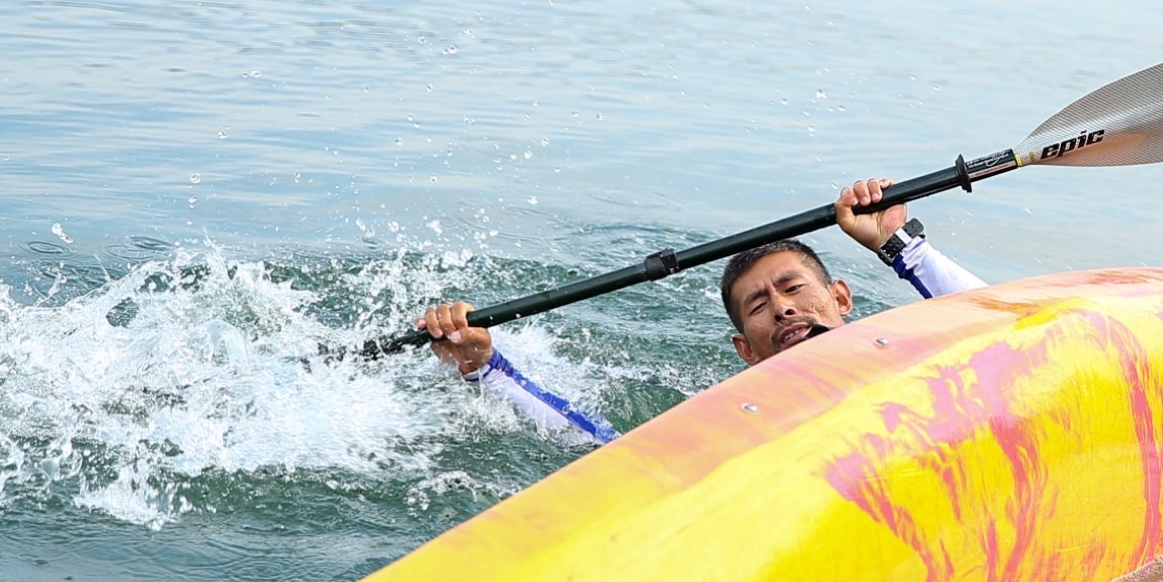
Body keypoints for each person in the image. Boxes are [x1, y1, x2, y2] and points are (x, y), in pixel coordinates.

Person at [414, 178, 987, 445]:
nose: (783, 309)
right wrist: (486, 368)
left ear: (840, 299)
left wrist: (899, 245)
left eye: (792, 289)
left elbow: (1000, 327)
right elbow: (605, 449)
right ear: (746, 350)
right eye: (759, 307)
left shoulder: (908, 361)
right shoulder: (742, 423)